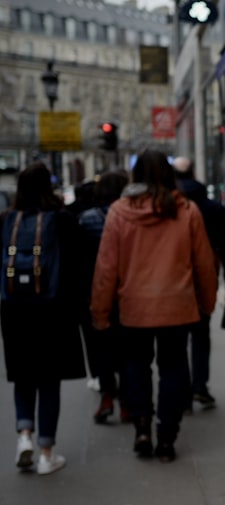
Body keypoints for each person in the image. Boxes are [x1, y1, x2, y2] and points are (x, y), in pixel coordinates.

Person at [91, 151, 217, 463]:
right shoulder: (187, 210)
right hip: (177, 306)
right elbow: (204, 264)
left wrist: (100, 312)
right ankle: (167, 437)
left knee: (136, 368)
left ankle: (143, 428)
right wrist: (207, 302)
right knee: (172, 369)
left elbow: (107, 268)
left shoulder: (120, 212)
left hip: (133, 308)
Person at [3, 161, 87, 474]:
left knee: (22, 375)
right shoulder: (63, 220)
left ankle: (24, 435)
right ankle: (46, 453)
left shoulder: (6, 220)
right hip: (53, 309)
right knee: (49, 380)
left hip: (13, 309)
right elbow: (79, 267)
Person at [171, 156, 225, 410]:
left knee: (177, 339)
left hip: (173, 280)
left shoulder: (169, 207)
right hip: (205, 277)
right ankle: (199, 386)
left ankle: (182, 390)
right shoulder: (211, 207)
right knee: (201, 334)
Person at [78, 170, 129, 423]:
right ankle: (128, 403)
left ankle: (108, 394)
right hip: (127, 291)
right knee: (129, 349)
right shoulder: (131, 217)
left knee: (102, 345)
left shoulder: (86, 219)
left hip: (95, 291)